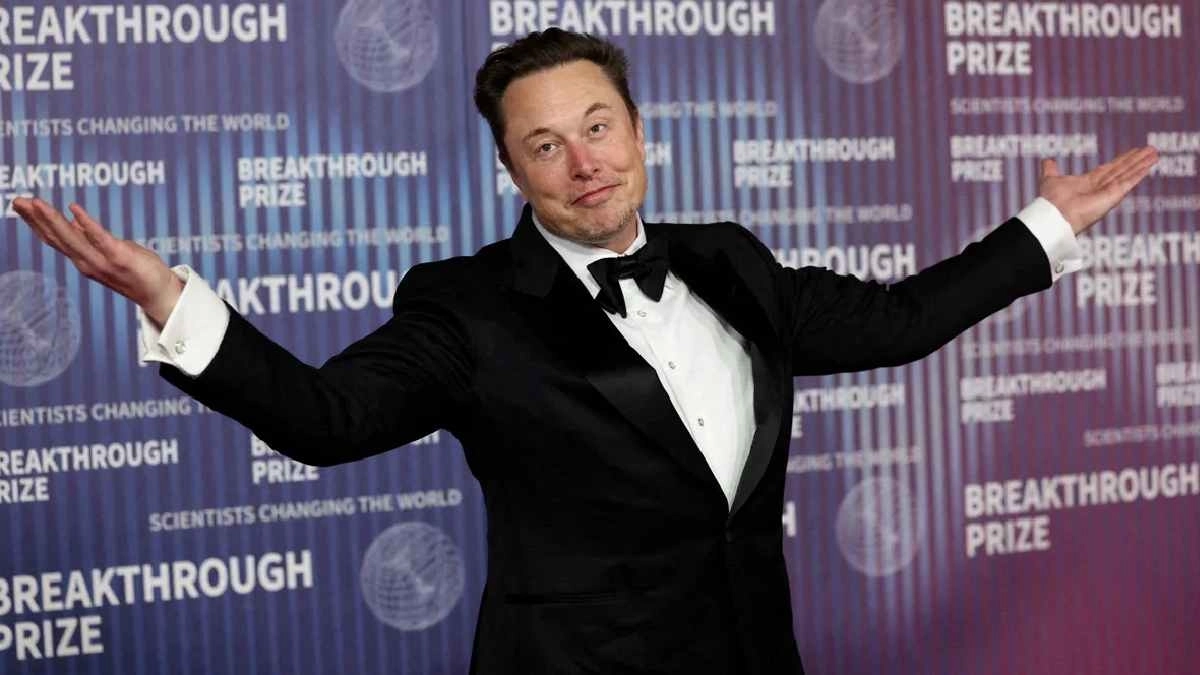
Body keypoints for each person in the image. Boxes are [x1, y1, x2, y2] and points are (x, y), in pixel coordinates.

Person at [13, 28, 1158, 675]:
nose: (584, 163)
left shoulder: (731, 261)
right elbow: (326, 419)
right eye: (546, 145)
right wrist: (172, 300)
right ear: (511, 171)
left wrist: (1042, 229)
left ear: (641, 133)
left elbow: (896, 324)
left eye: (598, 127)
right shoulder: (468, 308)